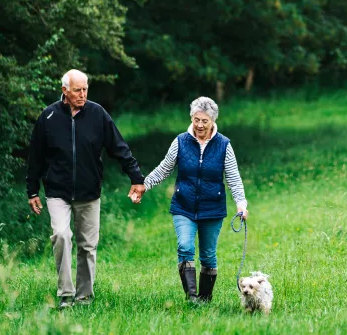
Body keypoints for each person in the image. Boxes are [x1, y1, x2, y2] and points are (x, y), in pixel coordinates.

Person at [26, 69, 146, 309]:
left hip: (89, 192)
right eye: (77, 90)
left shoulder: (97, 114)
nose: (82, 94)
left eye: (85, 89)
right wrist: (32, 191)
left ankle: (84, 297)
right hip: (57, 192)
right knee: (61, 235)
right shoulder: (48, 116)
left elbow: (118, 147)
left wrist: (136, 177)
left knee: (87, 246)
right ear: (65, 91)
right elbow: (35, 157)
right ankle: (66, 295)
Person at [139, 96, 249, 303]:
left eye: (204, 121)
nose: (199, 125)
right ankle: (191, 298)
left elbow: (234, 178)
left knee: (207, 255)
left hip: (212, 208)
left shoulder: (224, 145)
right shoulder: (180, 141)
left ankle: (205, 299)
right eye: (196, 119)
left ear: (213, 121)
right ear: (191, 118)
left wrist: (241, 205)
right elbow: (164, 168)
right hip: (184, 205)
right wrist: (144, 185)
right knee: (185, 247)